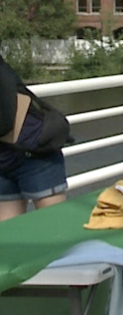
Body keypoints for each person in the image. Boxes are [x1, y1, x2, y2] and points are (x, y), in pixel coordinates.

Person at [0, 53, 68, 221]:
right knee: (10, 231)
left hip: (34, 152)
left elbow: (5, 119)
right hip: (6, 156)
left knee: (54, 225)